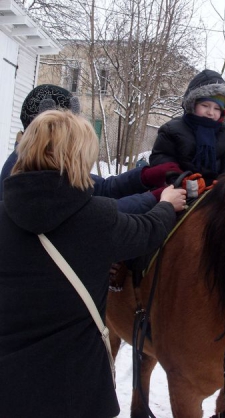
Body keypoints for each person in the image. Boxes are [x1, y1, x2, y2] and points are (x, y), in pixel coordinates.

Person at [0, 109, 187, 418]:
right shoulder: (97, 219)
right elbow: (149, 231)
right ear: (78, 157)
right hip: (76, 392)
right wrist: (166, 203)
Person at [0, 84, 182, 213]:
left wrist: (144, 176)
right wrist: (156, 199)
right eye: (71, 129)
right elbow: (89, 217)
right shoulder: (21, 174)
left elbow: (100, 188)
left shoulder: (49, 163)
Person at [149, 69, 225, 189]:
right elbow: (162, 160)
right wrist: (182, 180)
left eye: (217, 108)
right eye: (205, 105)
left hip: (216, 193)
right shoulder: (171, 130)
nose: (211, 112)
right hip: (177, 190)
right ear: (193, 104)